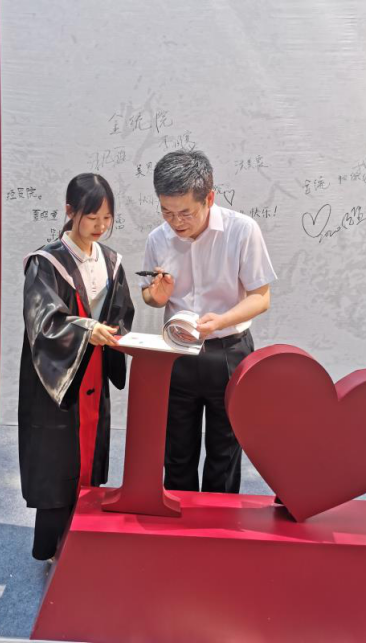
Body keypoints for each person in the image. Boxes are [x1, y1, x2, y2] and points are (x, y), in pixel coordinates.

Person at [141, 151, 277, 495]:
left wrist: (222, 320)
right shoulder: (158, 238)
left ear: (210, 198)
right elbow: (150, 297)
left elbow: (261, 297)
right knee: (176, 452)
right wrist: (156, 296)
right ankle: (179, 518)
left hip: (229, 352)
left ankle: (220, 523)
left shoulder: (242, 230)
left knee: (224, 452)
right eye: (167, 211)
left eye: (185, 212)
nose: (176, 221)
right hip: (177, 354)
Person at [19, 173, 135, 561]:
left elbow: (121, 314)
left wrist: (114, 330)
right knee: (58, 458)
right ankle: (52, 546)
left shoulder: (111, 261)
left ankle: (84, 539)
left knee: (90, 455)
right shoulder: (46, 262)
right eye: (92, 217)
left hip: (94, 371)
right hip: (59, 377)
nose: (100, 226)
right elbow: (43, 321)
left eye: (107, 218)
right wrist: (86, 329)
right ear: (70, 211)